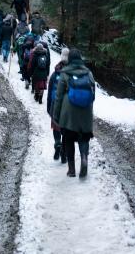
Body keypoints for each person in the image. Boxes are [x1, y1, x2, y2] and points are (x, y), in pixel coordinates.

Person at [52, 49, 95, 178]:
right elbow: (93, 93)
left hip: (68, 111)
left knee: (69, 139)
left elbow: (58, 96)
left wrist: (56, 115)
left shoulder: (65, 73)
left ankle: (71, 170)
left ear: (69, 59)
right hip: (85, 111)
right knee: (84, 137)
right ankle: (84, 159)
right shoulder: (88, 73)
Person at [47, 48, 69, 162]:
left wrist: (48, 106)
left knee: (56, 127)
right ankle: (64, 153)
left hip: (55, 104)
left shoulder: (56, 71)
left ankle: (57, 143)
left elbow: (50, 89)